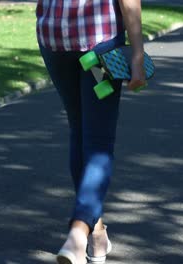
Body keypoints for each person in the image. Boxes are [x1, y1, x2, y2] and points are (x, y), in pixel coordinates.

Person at [36, 0, 146, 263]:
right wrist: (138, 54)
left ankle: (96, 234)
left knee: (80, 130)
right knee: (98, 141)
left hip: (54, 38)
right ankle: (78, 234)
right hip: (99, 44)